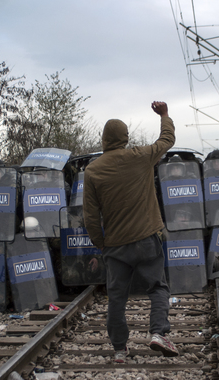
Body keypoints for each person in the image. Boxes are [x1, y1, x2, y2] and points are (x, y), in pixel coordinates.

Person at [83, 101, 179, 363]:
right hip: (147, 238)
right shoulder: (142, 155)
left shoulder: (92, 171)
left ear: (103, 139)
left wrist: (102, 244)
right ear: (125, 138)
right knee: (158, 287)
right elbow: (167, 139)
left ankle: (119, 350)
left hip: (116, 245)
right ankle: (159, 333)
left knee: (116, 297)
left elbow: (90, 216)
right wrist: (164, 115)